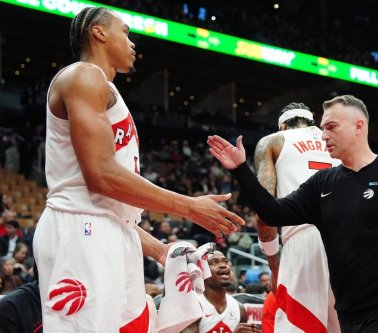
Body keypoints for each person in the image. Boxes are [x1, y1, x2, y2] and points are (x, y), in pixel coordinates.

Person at [32, 7, 244, 332]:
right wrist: (189, 206)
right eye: (126, 32)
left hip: (113, 230)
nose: (132, 44)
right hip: (79, 231)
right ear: (99, 33)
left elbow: (112, 208)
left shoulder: (109, 91)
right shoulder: (83, 76)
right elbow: (100, 176)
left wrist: (160, 250)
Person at [207, 94, 378, 332]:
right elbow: (273, 213)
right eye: (323, 127)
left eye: (332, 127)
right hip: (349, 312)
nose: (323, 135)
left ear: (359, 126)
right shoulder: (322, 183)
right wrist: (241, 169)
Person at [253, 102, 340, 332]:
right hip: (350, 240)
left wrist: (274, 266)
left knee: (300, 325)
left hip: (304, 237)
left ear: (282, 125)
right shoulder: (338, 141)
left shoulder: (273, 141)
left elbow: (264, 212)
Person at [181, 251, 260, 333]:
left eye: (225, 261)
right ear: (200, 271)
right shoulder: (191, 305)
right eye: (214, 262)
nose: (223, 265)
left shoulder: (239, 309)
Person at [0, 263, 42, 333]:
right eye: (6, 265)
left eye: (10, 265)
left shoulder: (16, 279)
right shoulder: (11, 305)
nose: (9, 267)